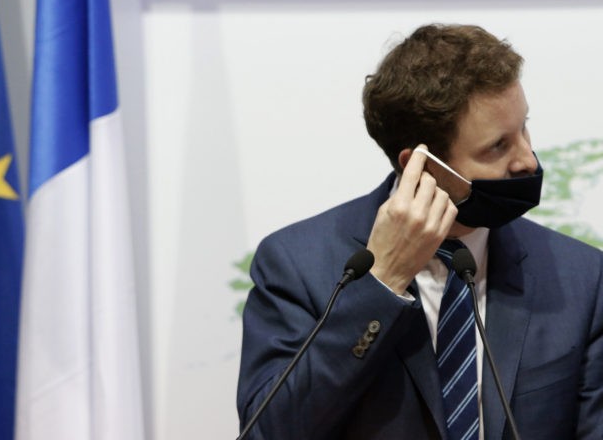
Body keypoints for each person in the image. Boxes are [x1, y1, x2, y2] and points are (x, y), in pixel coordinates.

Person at [236, 24, 603, 439]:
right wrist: (382, 283)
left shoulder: (583, 277)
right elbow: (267, 432)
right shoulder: (297, 265)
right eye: (498, 146)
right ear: (423, 166)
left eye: (524, 129)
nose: (528, 161)